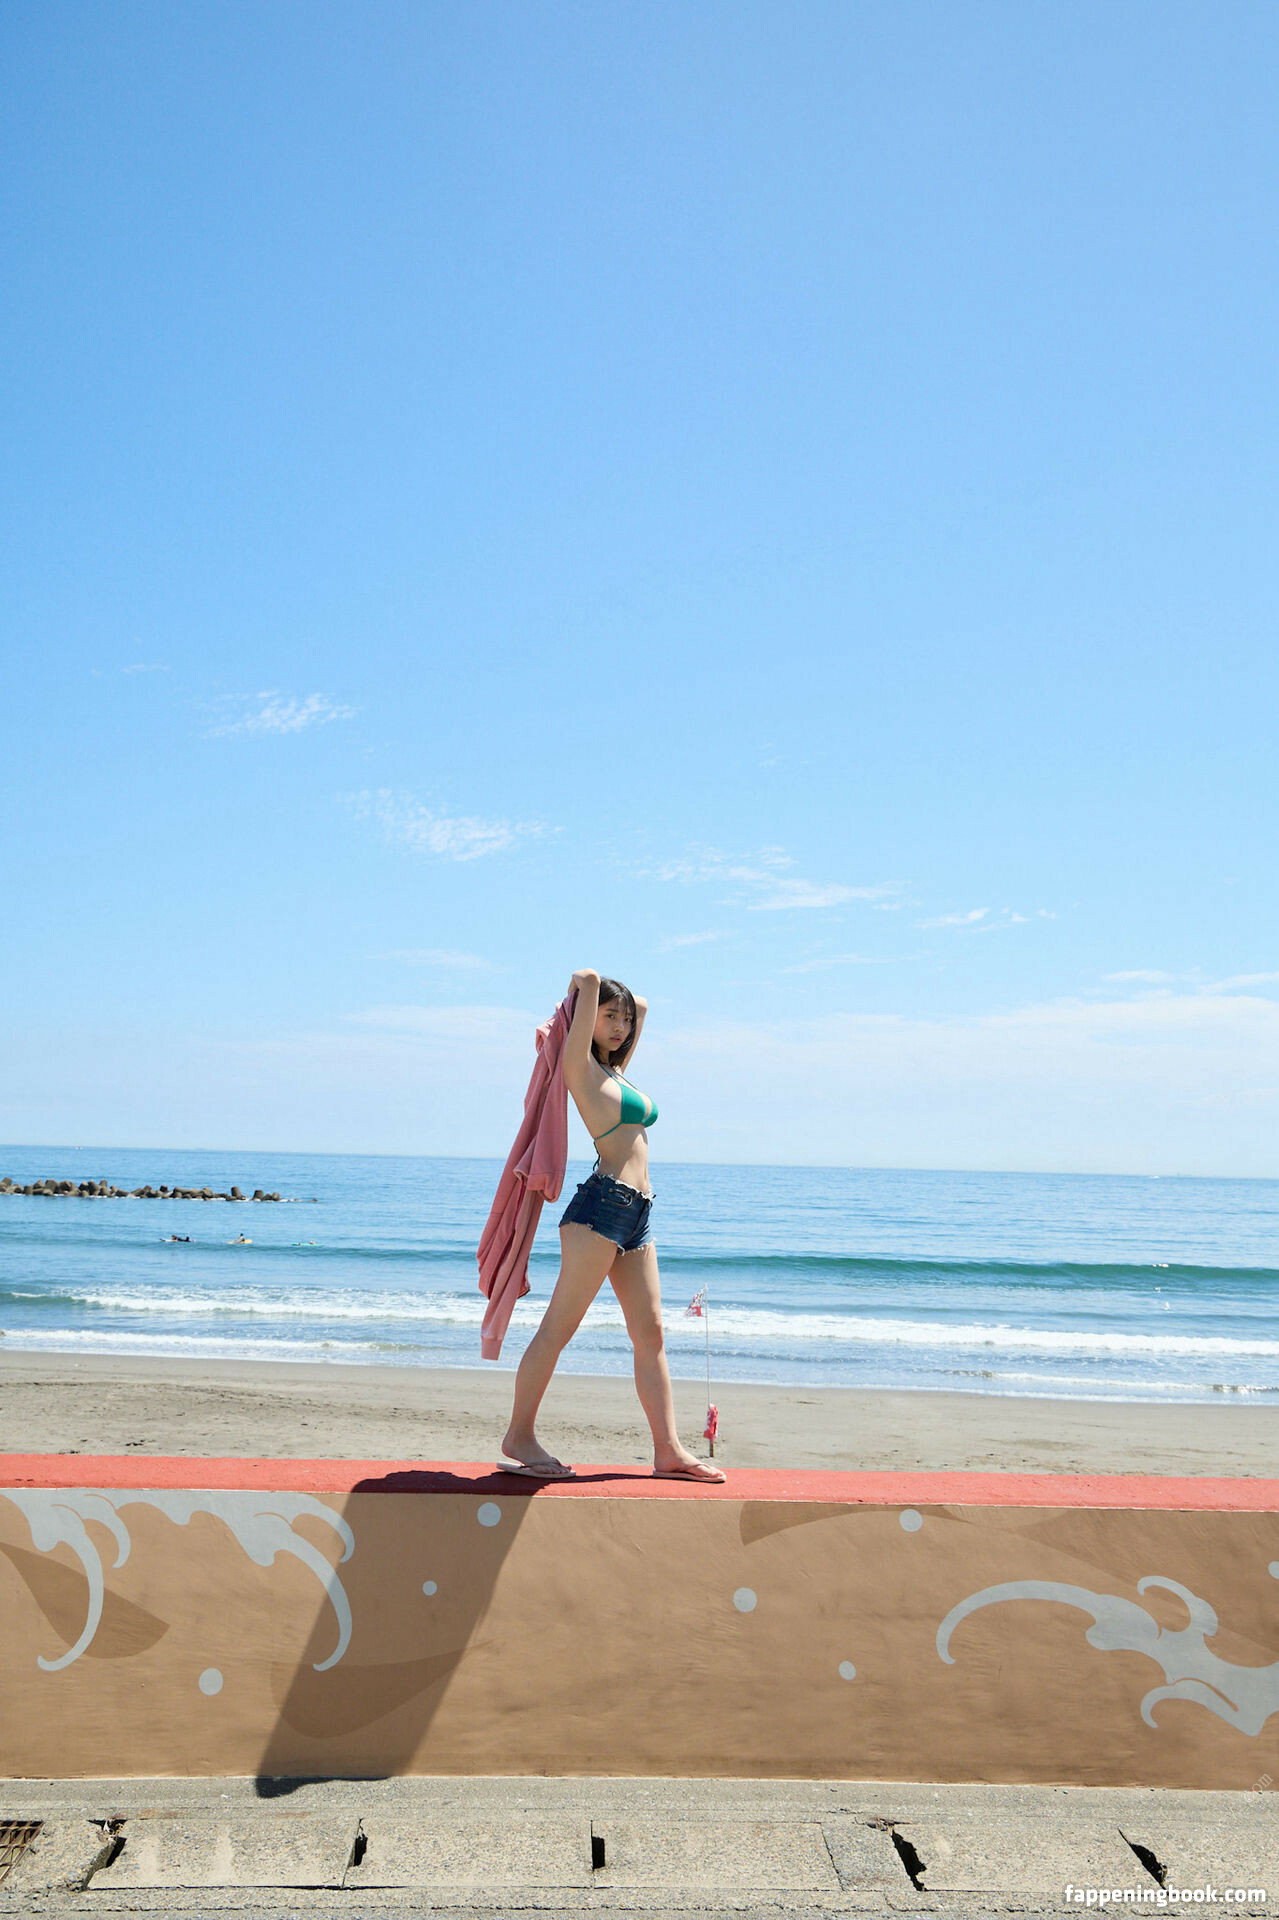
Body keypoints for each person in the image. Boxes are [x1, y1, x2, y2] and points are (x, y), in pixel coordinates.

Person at [500, 968, 725, 1483]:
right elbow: (585, 979)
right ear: (587, 1018)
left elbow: (641, 1004)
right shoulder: (579, 1066)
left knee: (651, 1333)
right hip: (602, 1207)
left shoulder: (616, 1072)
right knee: (558, 1330)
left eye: (624, 1020)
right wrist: (587, 994)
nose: (622, 1026)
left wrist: (622, 1005)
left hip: (637, 1212)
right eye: (610, 1017)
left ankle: (668, 1450)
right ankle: (519, 1435)